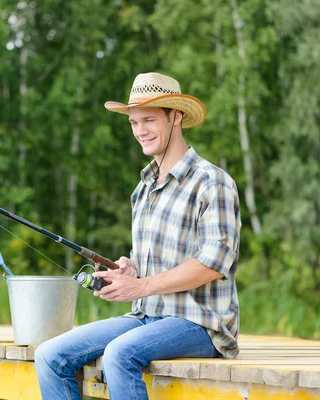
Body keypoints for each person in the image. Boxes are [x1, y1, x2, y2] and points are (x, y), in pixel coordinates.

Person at [34, 72, 242, 400]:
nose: (140, 131)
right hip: (146, 316)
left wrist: (141, 286)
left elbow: (213, 264)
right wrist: (130, 271)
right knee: (49, 355)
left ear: (175, 117)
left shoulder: (212, 182)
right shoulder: (143, 189)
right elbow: (152, 265)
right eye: (133, 123)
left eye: (148, 120)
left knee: (119, 355)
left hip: (200, 325)